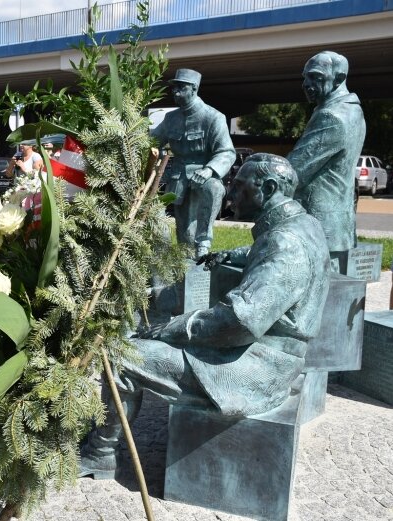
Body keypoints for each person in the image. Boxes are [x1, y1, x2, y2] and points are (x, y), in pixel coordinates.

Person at [79, 154, 331, 478]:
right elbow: (269, 256)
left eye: (239, 187)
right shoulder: (303, 225)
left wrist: (173, 328)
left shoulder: (285, 242)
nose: (230, 195)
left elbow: (239, 322)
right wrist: (237, 255)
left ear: (268, 189)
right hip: (277, 357)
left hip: (259, 366)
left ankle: (100, 452)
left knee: (122, 357)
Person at [287, 51, 366, 271]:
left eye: (315, 77)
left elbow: (294, 171)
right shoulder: (354, 111)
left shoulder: (332, 116)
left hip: (319, 225)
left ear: (339, 79)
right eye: (305, 77)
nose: (306, 84)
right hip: (336, 226)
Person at [151, 68, 236, 258]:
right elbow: (152, 141)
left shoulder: (213, 117)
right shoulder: (170, 118)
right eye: (174, 87)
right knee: (186, 238)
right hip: (179, 179)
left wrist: (209, 170)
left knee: (214, 187)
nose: (175, 91)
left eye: (181, 87)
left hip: (204, 177)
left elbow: (226, 152)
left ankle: (204, 241)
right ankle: (181, 271)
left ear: (194, 88)